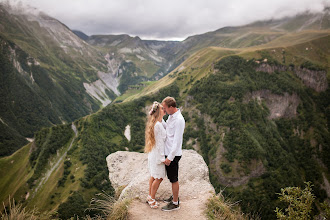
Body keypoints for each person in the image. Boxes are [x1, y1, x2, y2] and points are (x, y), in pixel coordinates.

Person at [161, 96, 185, 211]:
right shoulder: (171, 116)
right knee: (171, 178)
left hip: (173, 154)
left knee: (173, 179)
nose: (164, 110)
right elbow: (168, 129)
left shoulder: (179, 120)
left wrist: (170, 157)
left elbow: (177, 141)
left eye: (165, 108)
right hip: (169, 151)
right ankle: (174, 197)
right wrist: (159, 119)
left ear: (171, 107)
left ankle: (175, 203)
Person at [145, 101, 166, 209]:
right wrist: (163, 158)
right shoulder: (158, 125)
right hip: (158, 154)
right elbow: (160, 144)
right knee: (159, 178)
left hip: (153, 153)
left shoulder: (159, 122)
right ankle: (152, 198)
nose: (164, 109)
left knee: (154, 176)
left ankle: (150, 196)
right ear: (158, 111)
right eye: (162, 108)